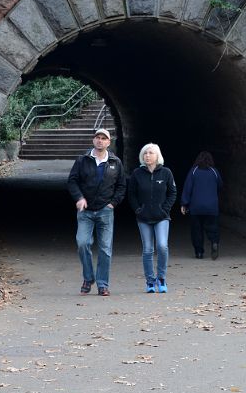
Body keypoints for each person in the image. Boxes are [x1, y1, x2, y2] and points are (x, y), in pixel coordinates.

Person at [67, 127, 125, 296]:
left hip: (105, 211)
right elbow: (72, 181)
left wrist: (113, 203)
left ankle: (102, 284)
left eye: (103, 138)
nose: (100, 140)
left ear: (108, 142)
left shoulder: (115, 162)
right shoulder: (82, 160)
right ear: (93, 140)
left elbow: (121, 186)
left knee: (106, 249)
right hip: (85, 211)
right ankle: (88, 277)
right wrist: (79, 198)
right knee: (83, 243)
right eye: (97, 137)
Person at [127, 143, 177, 293]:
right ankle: (150, 281)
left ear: (157, 156)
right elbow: (132, 194)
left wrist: (165, 208)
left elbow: (172, 192)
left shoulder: (166, 173)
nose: (147, 155)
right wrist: (138, 209)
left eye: (151, 153)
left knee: (162, 246)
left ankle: (161, 278)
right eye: (145, 153)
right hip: (144, 217)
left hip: (162, 216)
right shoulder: (137, 173)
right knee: (148, 249)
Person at [181, 151, 222, 260]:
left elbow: (187, 188)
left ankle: (199, 252)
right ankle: (214, 242)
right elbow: (220, 185)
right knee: (212, 227)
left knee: (196, 230)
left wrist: (184, 203)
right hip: (211, 206)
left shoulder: (193, 171)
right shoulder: (214, 171)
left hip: (196, 206)